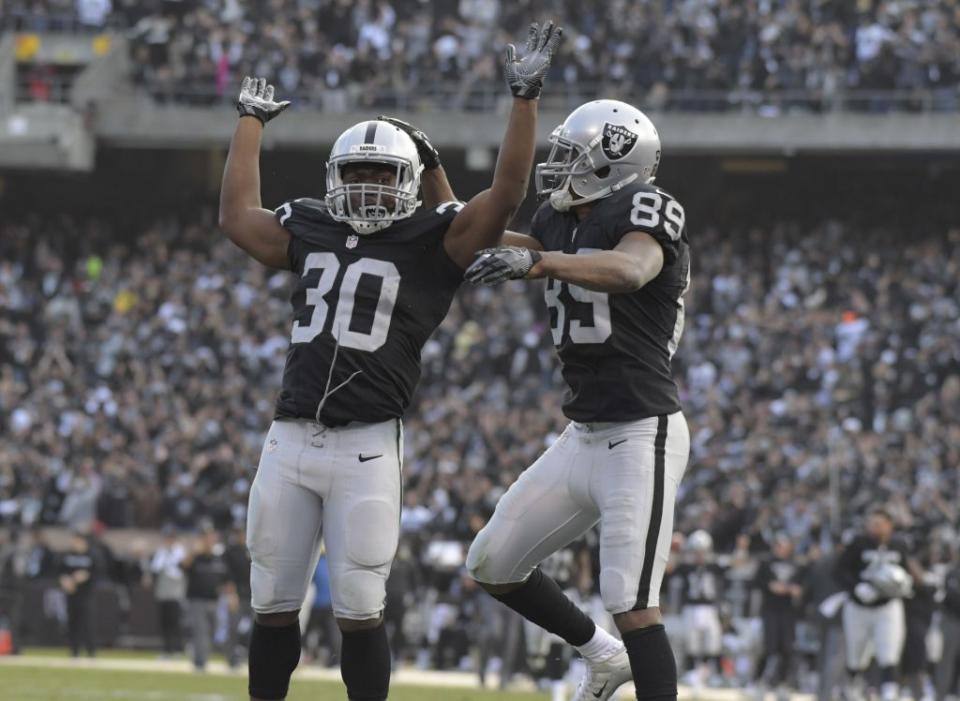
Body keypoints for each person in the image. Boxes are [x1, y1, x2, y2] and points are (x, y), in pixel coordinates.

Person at [216, 20, 563, 701]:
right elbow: (236, 217)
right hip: (288, 437)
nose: (370, 186)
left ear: (409, 181)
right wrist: (250, 123)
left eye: (383, 173)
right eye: (358, 173)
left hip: (368, 446)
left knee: (358, 606)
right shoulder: (311, 222)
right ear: (333, 177)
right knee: (273, 601)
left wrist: (523, 98)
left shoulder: (432, 238)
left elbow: (506, 197)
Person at [464, 98, 691, 700]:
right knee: (492, 562)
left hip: (641, 431)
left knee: (633, 601)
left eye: (574, 156)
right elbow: (480, 236)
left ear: (614, 163)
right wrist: (438, 193)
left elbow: (629, 270)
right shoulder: (559, 217)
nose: (559, 166)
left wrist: (537, 263)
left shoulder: (646, 206)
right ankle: (601, 655)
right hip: (581, 433)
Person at [834, 507, 914, 701]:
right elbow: (839, 571)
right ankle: (852, 687)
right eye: (871, 523)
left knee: (889, 651)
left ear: (889, 525)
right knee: (856, 653)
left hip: (887, 606)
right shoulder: (858, 543)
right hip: (859, 607)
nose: (874, 527)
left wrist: (903, 585)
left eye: (878, 523)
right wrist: (856, 588)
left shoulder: (899, 545)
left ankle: (889, 693)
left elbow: (906, 571)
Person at [753, 534, 803, 701]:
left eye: (783, 545)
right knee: (769, 647)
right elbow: (756, 582)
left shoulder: (796, 564)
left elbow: (803, 585)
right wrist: (770, 586)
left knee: (787, 648)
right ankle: (759, 682)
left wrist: (795, 590)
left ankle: (782, 684)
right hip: (770, 610)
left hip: (788, 611)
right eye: (778, 545)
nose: (780, 549)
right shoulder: (766, 563)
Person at [183, 525, 229, 672]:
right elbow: (183, 566)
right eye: (206, 538)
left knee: (212, 632)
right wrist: (193, 551)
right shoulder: (196, 558)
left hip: (214, 601)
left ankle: (200, 656)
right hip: (197, 600)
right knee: (201, 631)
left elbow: (226, 580)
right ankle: (200, 663)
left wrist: (230, 595)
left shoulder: (218, 559)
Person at [146, 525, 187, 656]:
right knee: (164, 621)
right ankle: (166, 648)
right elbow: (155, 568)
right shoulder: (161, 551)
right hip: (163, 591)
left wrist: (168, 559)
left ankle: (177, 648)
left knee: (175, 620)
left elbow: (177, 571)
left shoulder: (180, 551)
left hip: (176, 591)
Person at [59, 529, 97, 657]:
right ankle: (74, 650)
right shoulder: (67, 555)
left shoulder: (92, 555)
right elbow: (60, 571)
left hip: (85, 595)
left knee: (87, 623)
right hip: (71, 594)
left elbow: (97, 573)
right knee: (72, 622)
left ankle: (91, 651)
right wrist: (65, 581)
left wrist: (84, 577)